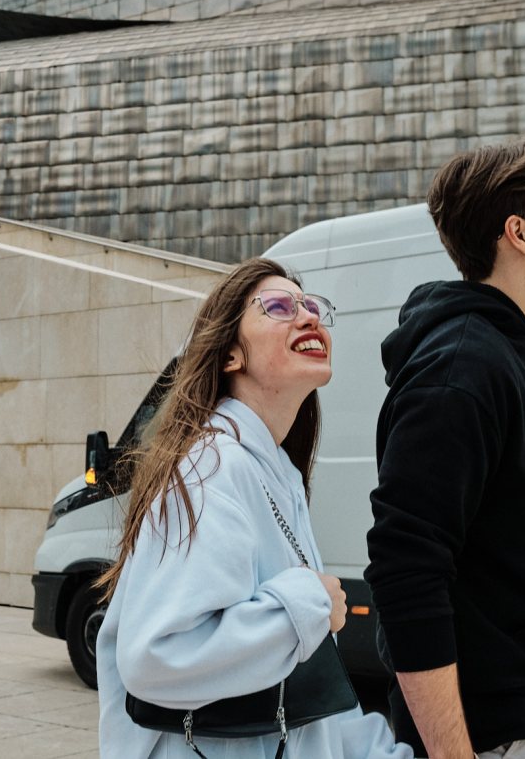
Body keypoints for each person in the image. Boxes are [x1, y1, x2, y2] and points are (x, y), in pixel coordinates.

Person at [96, 257, 413, 759]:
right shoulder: (210, 468)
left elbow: (313, 687)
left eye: (311, 306)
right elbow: (156, 655)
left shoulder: (273, 472)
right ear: (229, 356)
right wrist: (304, 606)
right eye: (280, 307)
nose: (308, 317)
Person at [365, 137, 525, 759]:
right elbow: (405, 574)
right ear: (518, 232)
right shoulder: (461, 370)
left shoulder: (510, 359)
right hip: (498, 734)